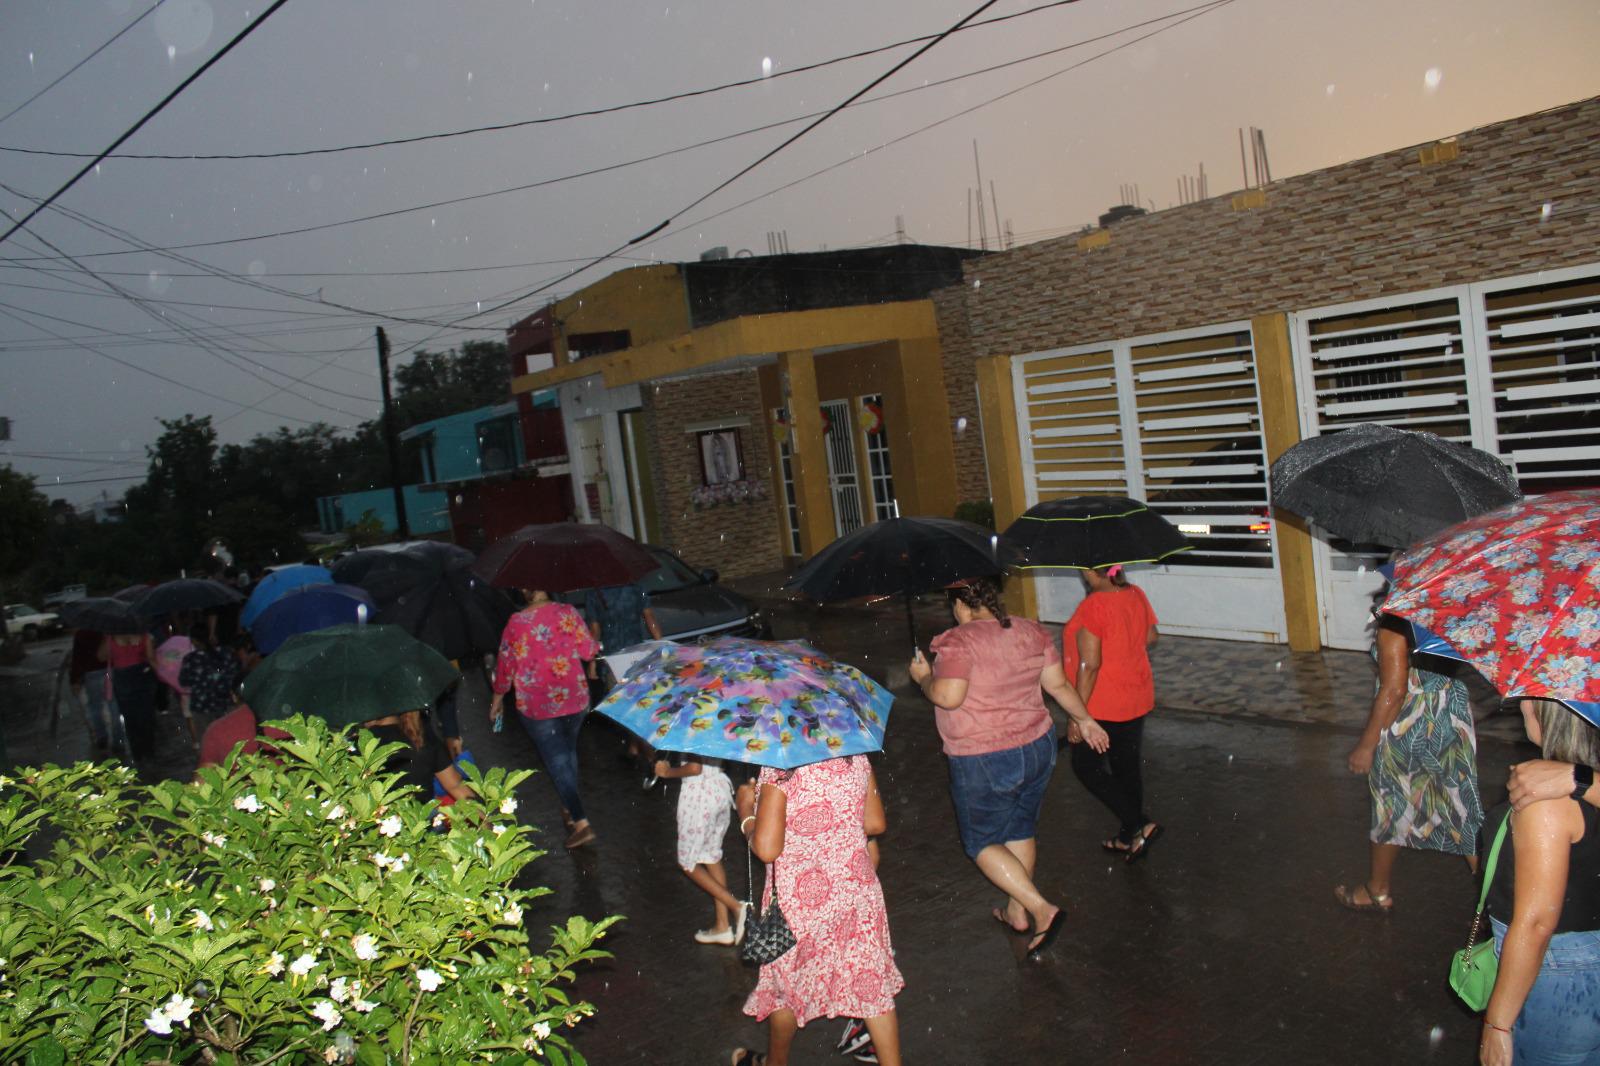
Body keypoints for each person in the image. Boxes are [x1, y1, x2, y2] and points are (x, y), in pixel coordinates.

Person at [908, 576, 1109, 958]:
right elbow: (1059, 686)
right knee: (1019, 826)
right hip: (1036, 746)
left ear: (961, 605)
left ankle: (1040, 909)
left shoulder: (958, 641)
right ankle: (1017, 910)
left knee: (981, 841)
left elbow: (948, 697)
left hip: (982, 754)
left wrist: (923, 678)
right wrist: (1085, 720)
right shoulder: (1029, 631)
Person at [730, 756, 902, 1066]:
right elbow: (875, 822)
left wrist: (746, 812)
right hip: (855, 893)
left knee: (785, 988)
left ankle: (775, 1063)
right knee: (870, 982)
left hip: (798, 905)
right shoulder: (854, 755)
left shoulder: (781, 768)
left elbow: (767, 848)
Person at [1477, 699, 1600, 1066]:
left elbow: (1535, 923)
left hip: (1559, 976)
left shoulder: (1546, 803)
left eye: (1534, 696)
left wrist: (1497, 1024)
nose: (1523, 702)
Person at [1335, 613, 1483, 912]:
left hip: (1410, 721)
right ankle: (1498, 902)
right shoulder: (1449, 610)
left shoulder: (1398, 622)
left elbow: (1394, 691)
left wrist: (1366, 744)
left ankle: (1377, 890)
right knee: (1462, 809)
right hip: (1450, 712)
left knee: (1392, 803)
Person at [1060, 563, 1164, 861]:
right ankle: (1127, 836)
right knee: (1125, 767)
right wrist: (1122, 644)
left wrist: (1078, 716)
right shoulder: (1134, 593)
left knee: (1086, 768)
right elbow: (1151, 637)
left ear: (1090, 571)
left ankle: (1139, 824)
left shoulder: (1094, 605)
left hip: (1102, 703)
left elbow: (1089, 665)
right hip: (1135, 694)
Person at [489, 588, 601, 849]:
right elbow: (587, 651)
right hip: (574, 697)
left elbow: (505, 665)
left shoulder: (516, 623)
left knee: (557, 760)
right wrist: (594, 640)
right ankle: (568, 804)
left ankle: (581, 821)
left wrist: (497, 698)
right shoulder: (568, 613)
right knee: (567, 753)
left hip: (537, 704)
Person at [653, 754, 745, 944]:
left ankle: (735, 906)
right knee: (712, 856)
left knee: (687, 862)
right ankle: (722, 926)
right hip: (719, 792)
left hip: (698, 798)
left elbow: (695, 768)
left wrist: (667, 772)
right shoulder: (715, 724)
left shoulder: (694, 724)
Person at [100, 629, 158, 759]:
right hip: (142, 675)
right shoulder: (143, 636)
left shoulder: (111, 637)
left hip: (122, 677)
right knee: (147, 715)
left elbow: (101, 656)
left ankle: (137, 752)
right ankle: (149, 750)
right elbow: (150, 658)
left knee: (129, 718)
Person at [68, 627, 122, 754]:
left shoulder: (82, 633)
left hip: (91, 673)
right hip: (110, 671)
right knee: (114, 706)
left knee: (95, 707)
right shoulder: (108, 630)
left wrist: (74, 679)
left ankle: (101, 736)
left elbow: (77, 658)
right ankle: (118, 739)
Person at [178, 623, 242, 721]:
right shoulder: (225, 652)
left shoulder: (190, 659)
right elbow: (235, 672)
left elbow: (183, 681)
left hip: (202, 706)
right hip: (224, 703)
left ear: (193, 640)